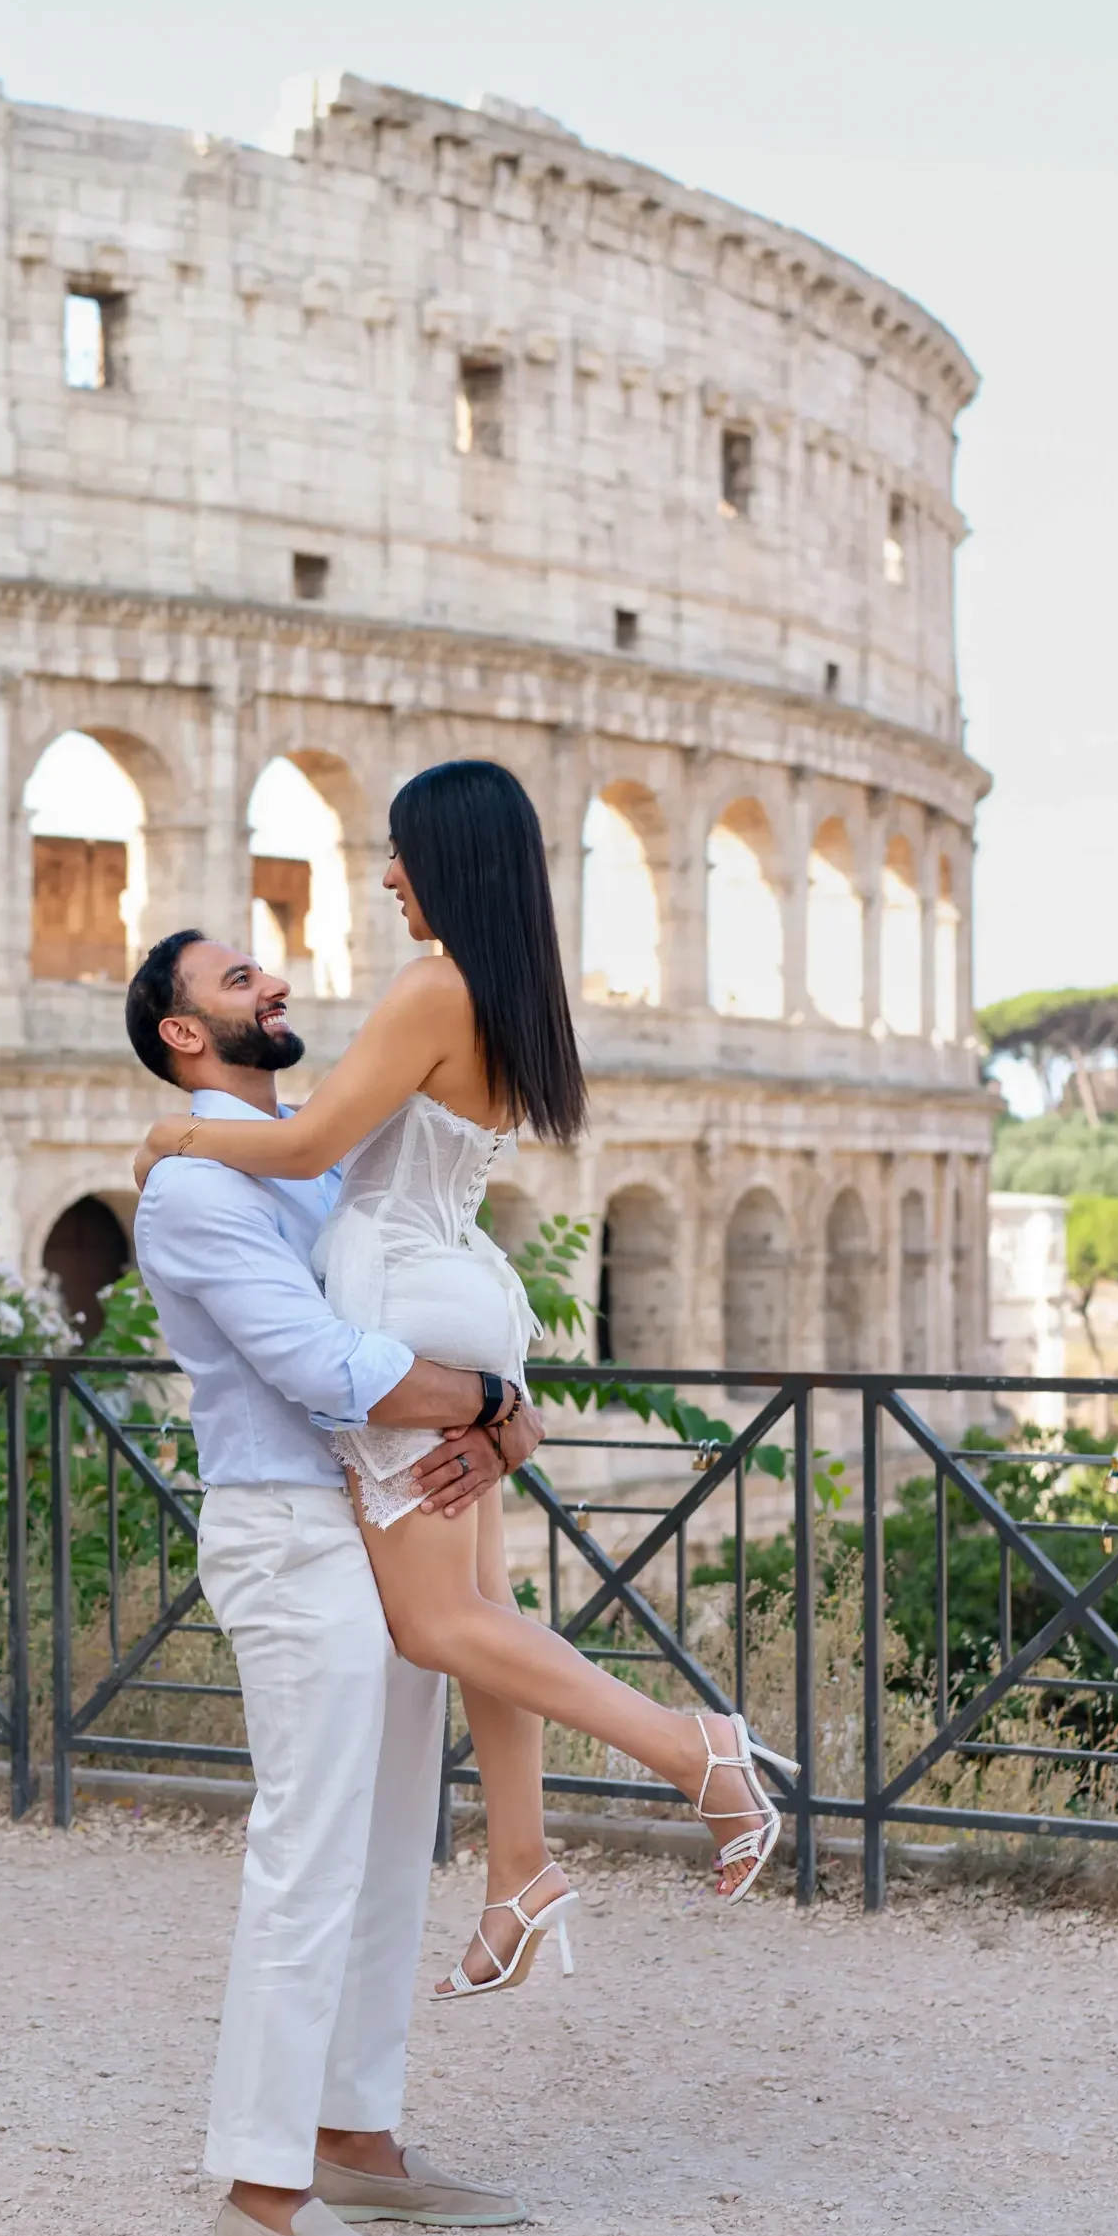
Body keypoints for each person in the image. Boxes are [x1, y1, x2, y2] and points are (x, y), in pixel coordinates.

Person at [135, 758, 799, 1946]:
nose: (385, 875)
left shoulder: (430, 987)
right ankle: (519, 1871)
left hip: (401, 1297)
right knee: (486, 1607)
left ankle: (690, 1748)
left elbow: (308, 1152)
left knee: (435, 1626)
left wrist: (170, 1136)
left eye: (397, 852)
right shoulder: (504, 991)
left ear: (448, 860)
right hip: (455, 1285)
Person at [126, 927, 551, 2236]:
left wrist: (500, 1413)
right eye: (239, 979)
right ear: (184, 1033)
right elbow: (325, 1363)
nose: (276, 986)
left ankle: (354, 2135)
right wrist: (485, 1401)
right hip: (290, 1534)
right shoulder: (196, 1191)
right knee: (305, 1852)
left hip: (382, 1524)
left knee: (380, 1850)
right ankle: (258, 2186)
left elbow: (419, 1304)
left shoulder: (312, 1164)